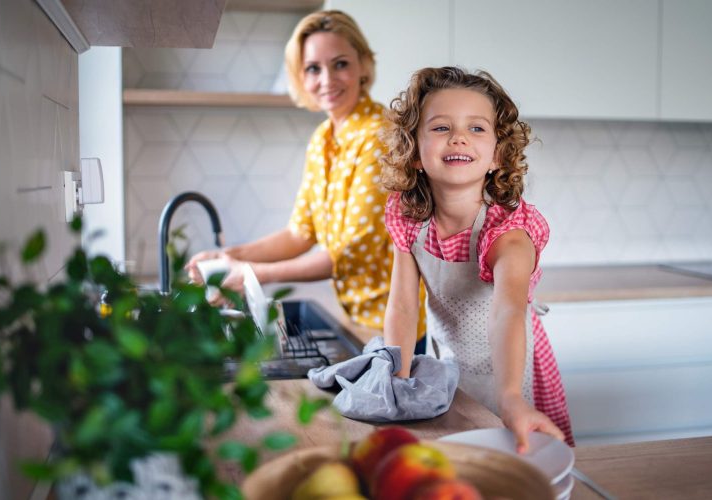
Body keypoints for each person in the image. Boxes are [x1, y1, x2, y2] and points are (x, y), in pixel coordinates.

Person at [186, 10, 425, 342]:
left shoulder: (379, 137)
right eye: (313, 68)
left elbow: (346, 254)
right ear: (301, 76)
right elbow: (301, 233)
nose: (327, 80)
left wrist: (253, 274)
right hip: (362, 318)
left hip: (402, 322)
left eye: (340, 64)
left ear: (363, 66)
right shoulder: (323, 139)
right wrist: (233, 257)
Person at [379, 66, 573, 451]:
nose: (459, 138)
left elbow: (507, 313)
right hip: (448, 374)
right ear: (414, 152)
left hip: (513, 377)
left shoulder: (509, 232)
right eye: (440, 128)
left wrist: (510, 398)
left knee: (513, 468)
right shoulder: (409, 218)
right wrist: (397, 384)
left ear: (498, 155)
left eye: (477, 128)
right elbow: (402, 305)